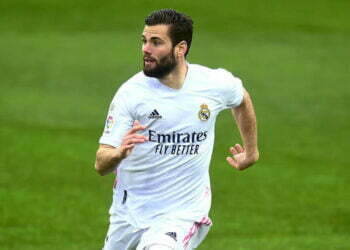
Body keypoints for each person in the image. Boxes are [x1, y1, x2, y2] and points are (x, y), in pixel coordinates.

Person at [95, 9, 259, 250]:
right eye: (144, 41)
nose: (145, 49)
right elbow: (101, 164)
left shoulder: (213, 84)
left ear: (180, 48)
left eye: (156, 42)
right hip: (129, 211)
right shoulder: (131, 94)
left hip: (181, 213)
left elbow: (241, 98)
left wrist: (251, 151)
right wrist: (119, 153)